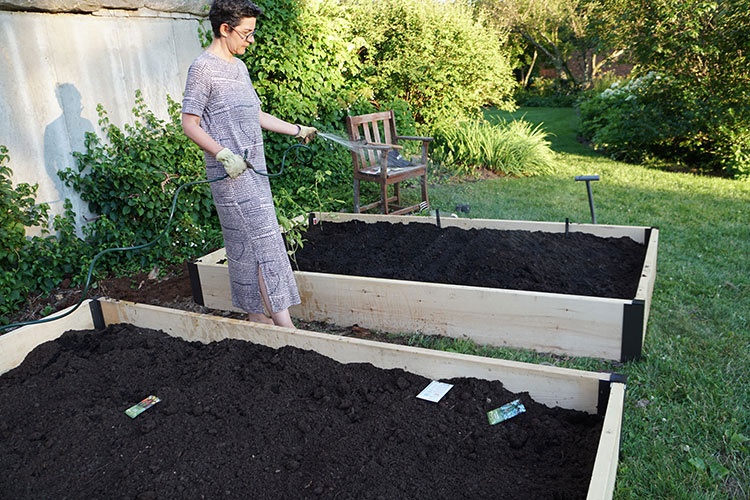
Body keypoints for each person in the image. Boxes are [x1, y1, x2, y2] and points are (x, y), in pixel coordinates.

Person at [181, 0, 316, 328]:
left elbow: (254, 114)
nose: (250, 40)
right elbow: (189, 122)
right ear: (224, 29)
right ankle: (286, 327)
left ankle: (256, 316)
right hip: (229, 176)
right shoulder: (202, 68)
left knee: (243, 247)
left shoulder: (239, 69)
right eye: (246, 33)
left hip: (255, 171)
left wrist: (296, 129)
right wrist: (223, 154)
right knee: (267, 242)